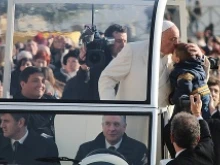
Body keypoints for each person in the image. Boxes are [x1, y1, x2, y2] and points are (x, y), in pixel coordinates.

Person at [98, 21, 209, 104]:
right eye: (172, 39)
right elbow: (107, 78)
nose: (176, 43)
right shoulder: (133, 50)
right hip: (134, 118)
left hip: (163, 120)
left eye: (177, 39)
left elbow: (198, 81)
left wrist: (201, 58)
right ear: (158, 37)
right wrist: (111, 109)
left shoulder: (176, 57)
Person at [62, 24, 127, 100]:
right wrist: (84, 67)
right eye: (119, 41)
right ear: (108, 42)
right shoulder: (97, 64)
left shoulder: (128, 62)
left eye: (125, 41)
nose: (123, 45)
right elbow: (79, 92)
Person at [75, 115, 148, 165]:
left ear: (124, 127)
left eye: (116, 124)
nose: (112, 129)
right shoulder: (85, 149)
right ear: (102, 126)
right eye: (107, 124)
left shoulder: (139, 149)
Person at [167, 95, 215, 165]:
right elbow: (206, 136)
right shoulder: (206, 153)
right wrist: (197, 113)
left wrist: (197, 113)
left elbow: (206, 137)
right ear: (198, 138)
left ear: (171, 138)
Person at [169, 42, 211, 119]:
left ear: (177, 59)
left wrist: (173, 99)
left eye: (173, 54)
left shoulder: (184, 73)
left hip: (196, 100)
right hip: (205, 98)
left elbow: (184, 90)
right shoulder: (197, 65)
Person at [13, 66, 56, 138]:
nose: (40, 85)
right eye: (35, 81)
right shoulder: (14, 107)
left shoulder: (51, 101)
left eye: (43, 81)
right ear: (23, 84)